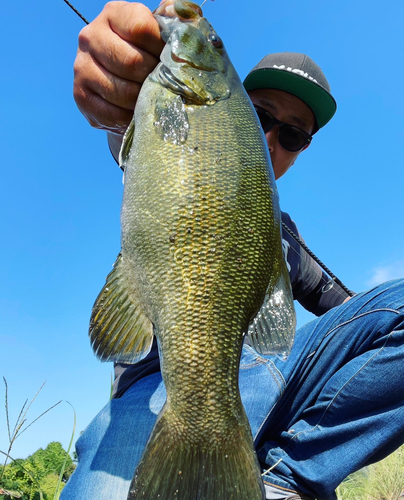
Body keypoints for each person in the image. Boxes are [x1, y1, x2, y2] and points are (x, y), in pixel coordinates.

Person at [63, 2, 404, 500]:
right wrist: (117, 81)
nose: (270, 138)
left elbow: (353, 312)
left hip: (275, 372)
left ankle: (286, 477)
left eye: (292, 134)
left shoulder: (284, 238)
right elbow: (129, 136)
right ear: (235, 104)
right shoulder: (177, 117)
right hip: (159, 381)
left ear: (302, 147)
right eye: (261, 114)